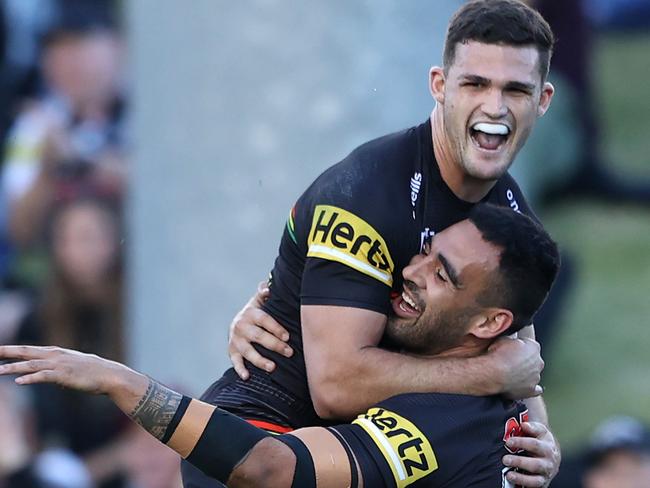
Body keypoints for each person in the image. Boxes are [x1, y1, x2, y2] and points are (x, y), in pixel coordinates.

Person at [191, 1, 561, 486]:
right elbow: (337, 385)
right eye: (475, 84)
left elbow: (517, 356)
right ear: (439, 85)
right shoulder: (366, 194)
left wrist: (543, 444)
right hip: (258, 446)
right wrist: (484, 378)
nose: (494, 107)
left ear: (543, 100)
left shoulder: (509, 216)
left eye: (515, 89)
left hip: (355, 454)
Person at [0, 204, 561, 487]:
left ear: (491, 324)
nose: (410, 272)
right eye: (424, 252)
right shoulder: (473, 394)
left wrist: (119, 382)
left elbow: (267, 470)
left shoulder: (445, 422)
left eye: (443, 275)